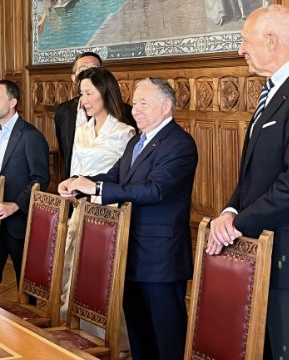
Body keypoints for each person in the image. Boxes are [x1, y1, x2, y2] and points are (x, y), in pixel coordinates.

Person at [59, 78, 198, 360]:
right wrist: (79, 183)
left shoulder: (179, 144)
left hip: (160, 259)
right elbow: (115, 177)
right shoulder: (137, 141)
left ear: (166, 106)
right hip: (128, 251)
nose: (135, 110)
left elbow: (154, 190)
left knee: (167, 338)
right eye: (134, 103)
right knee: (139, 336)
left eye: (143, 103)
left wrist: (96, 188)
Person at [207, 5, 289, 360]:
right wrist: (230, 210)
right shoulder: (277, 90)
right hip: (269, 251)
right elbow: (256, 173)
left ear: (271, 40)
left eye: (245, 40)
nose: (241, 49)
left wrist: (238, 224)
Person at [60, 66, 135, 354]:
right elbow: (76, 168)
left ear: (105, 92)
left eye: (89, 93)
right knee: (76, 270)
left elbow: (124, 180)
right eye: (81, 94)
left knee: (105, 276)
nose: (84, 100)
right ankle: (77, 334)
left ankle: (114, 342)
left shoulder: (125, 132)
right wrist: (70, 186)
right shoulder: (82, 128)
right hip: (81, 209)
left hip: (109, 214)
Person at [0, 79, 49, 303]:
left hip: (18, 221)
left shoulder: (31, 136)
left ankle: (26, 322)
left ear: (13, 102)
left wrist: (15, 205)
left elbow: (41, 179)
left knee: (25, 282)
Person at [54, 52, 103, 179]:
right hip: (71, 185)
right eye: (82, 70)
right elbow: (65, 151)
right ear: (73, 78)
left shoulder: (124, 111)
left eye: (94, 69)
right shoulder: (63, 111)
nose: (88, 75)